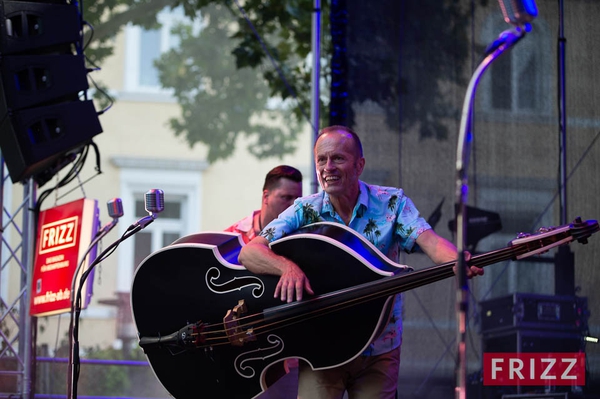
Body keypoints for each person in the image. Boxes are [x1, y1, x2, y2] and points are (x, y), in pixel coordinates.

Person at [238, 125, 484, 399]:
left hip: (379, 347)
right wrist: (286, 267)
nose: (328, 167)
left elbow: (431, 242)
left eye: (338, 158)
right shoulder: (305, 209)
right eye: (321, 159)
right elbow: (249, 252)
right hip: (321, 349)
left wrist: (457, 260)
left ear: (359, 165)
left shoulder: (392, 203)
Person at [224, 164, 303, 243]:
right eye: (286, 197)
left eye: (298, 200)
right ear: (266, 197)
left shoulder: (303, 234)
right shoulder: (231, 238)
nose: (294, 205)